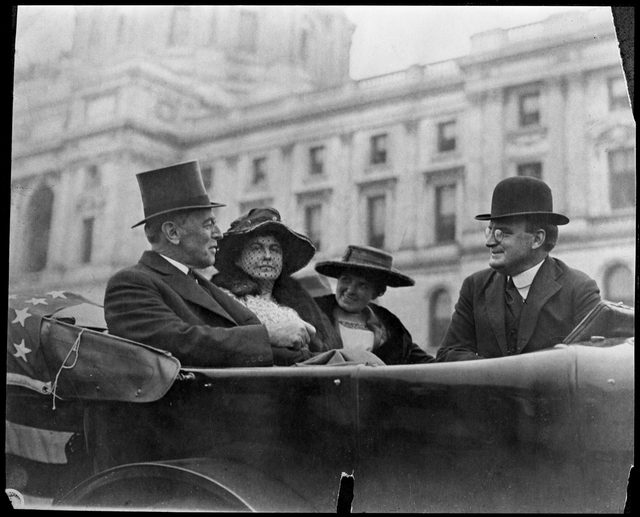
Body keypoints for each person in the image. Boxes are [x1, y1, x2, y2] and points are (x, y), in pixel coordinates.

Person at [104, 161, 315, 367]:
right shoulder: (131, 283)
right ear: (173, 233)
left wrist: (305, 353)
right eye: (209, 224)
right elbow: (180, 342)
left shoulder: (201, 283)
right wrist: (269, 335)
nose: (218, 234)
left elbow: (251, 338)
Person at [436, 176, 601, 362]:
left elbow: (591, 364)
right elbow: (447, 355)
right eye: (489, 231)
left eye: (501, 233)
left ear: (537, 239)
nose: (489, 242)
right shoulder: (475, 287)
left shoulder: (579, 290)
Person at [212, 207, 342, 355]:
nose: (267, 256)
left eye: (274, 249)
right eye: (256, 248)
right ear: (237, 258)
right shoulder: (223, 298)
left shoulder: (302, 303)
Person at [314, 245, 434, 365]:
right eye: (345, 279)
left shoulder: (392, 329)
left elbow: (431, 364)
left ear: (377, 293)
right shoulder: (311, 315)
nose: (350, 290)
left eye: (363, 286)